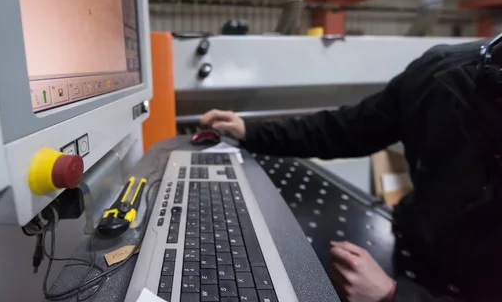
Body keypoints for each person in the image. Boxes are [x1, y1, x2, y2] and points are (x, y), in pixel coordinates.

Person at [200, 39, 502, 302]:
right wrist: (251, 132)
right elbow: (346, 128)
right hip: (416, 242)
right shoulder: (440, 76)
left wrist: (392, 296)